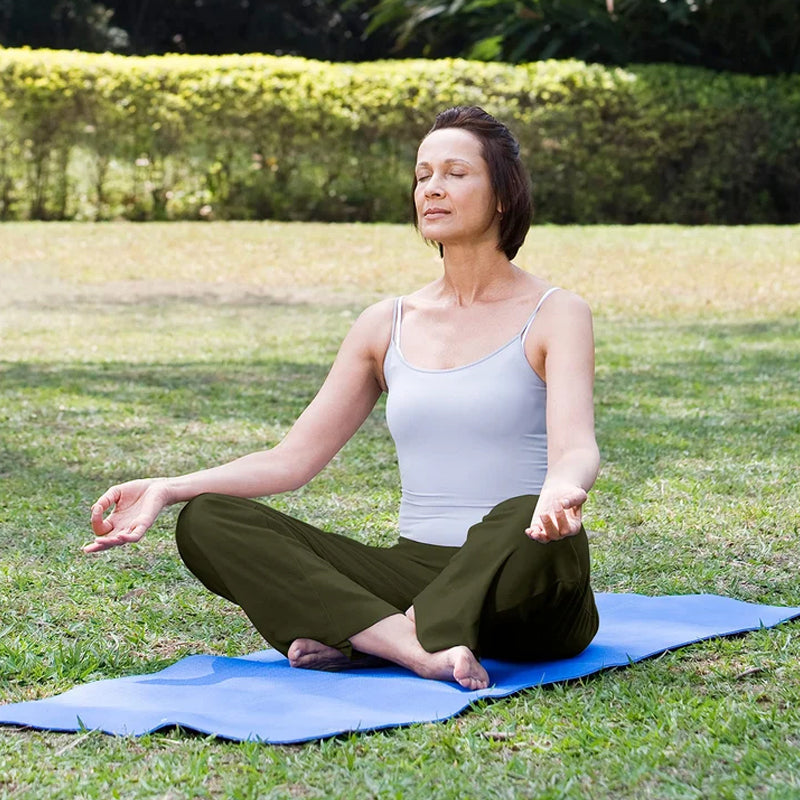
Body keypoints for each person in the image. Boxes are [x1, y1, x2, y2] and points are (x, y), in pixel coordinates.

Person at [86, 106, 600, 691]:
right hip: (414, 572)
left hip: (525, 574)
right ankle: (410, 645)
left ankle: (369, 638)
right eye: (422, 174)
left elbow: (575, 449)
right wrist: (169, 488)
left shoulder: (555, 312)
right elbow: (292, 460)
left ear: (504, 194)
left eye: (455, 173)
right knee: (208, 518)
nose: (432, 187)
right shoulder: (386, 323)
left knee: (520, 512)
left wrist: (562, 490)